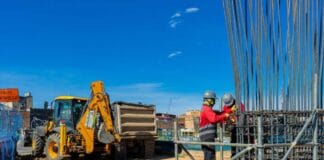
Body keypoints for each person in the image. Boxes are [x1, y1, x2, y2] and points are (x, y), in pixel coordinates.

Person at [199, 91, 230, 160]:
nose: (214, 102)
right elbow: (214, 118)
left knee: (208, 155)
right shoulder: (207, 109)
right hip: (207, 137)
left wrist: (227, 111)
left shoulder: (206, 108)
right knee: (210, 156)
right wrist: (225, 115)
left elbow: (217, 114)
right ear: (209, 100)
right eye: (213, 100)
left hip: (205, 137)